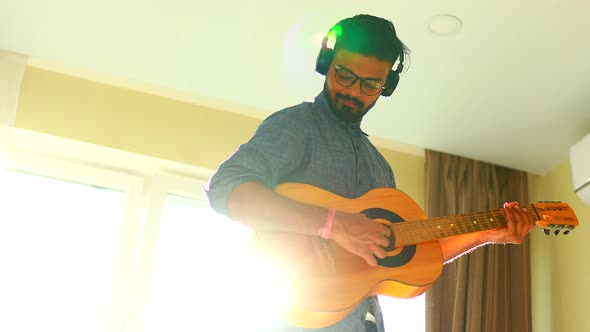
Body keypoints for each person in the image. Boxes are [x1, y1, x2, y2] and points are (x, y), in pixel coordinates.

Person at [205, 14, 535, 332]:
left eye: (370, 84)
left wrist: (486, 233)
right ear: (325, 64)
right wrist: (334, 225)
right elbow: (226, 188)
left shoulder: (380, 169)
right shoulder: (295, 125)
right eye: (344, 75)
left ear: (387, 85)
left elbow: (411, 255)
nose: (353, 91)